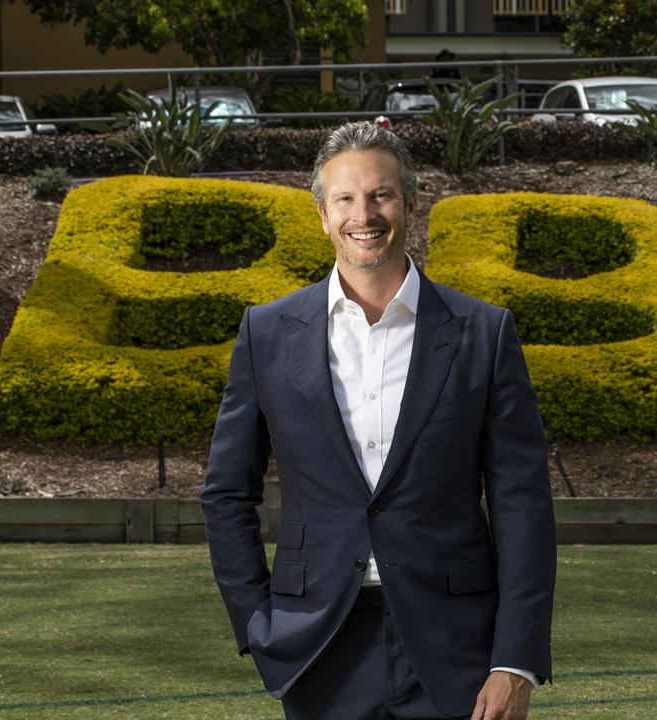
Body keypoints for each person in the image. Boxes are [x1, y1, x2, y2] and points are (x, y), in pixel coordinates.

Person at [200, 121, 556, 720]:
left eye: (381, 195)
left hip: (457, 645)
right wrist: (257, 624)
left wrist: (514, 659)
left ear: (410, 204)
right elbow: (226, 493)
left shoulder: (482, 333)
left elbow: (522, 504)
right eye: (345, 198)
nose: (363, 214)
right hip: (317, 646)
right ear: (322, 213)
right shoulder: (267, 333)